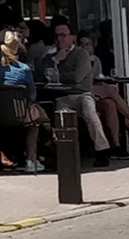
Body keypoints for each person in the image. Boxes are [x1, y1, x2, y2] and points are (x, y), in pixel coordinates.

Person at [44, 18, 113, 163]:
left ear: (72, 37)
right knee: (58, 115)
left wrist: (58, 73)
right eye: (56, 36)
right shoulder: (50, 55)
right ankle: (62, 153)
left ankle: (102, 149)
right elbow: (42, 74)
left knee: (89, 111)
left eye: (63, 35)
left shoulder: (81, 54)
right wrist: (56, 61)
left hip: (82, 94)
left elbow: (77, 77)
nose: (59, 39)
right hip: (61, 96)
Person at [0, 22, 46, 173]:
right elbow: (32, 94)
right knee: (36, 121)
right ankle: (32, 158)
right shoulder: (24, 69)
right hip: (20, 115)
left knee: (37, 113)